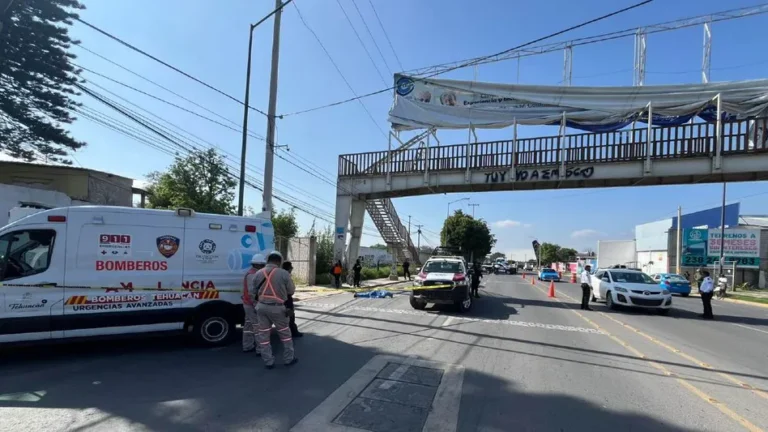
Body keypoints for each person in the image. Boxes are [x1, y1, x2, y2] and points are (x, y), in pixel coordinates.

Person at [252, 251, 298, 369]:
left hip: (261, 307)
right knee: (285, 335)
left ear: (267, 261)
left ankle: (268, 361)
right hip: (278, 308)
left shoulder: (258, 273)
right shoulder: (283, 273)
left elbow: (253, 292)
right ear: (279, 261)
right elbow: (291, 291)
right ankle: (289, 359)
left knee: (264, 336)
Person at [242, 253, 266, 353]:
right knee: (258, 327)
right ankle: (260, 349)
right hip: (252, 305)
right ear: (258, 265)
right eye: (263, 265)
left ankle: (247, 345)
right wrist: (256, 305)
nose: (264, 267)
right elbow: (253, 293)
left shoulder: (250, 273)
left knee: (248, 326)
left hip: (247, 303)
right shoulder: (253, 275)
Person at [282, 260, 303, 338]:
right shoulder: (286, 275)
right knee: (290, 316)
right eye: (291, 267)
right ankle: (293, 332)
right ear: (289, 268)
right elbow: (291, 290)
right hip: (287, 298)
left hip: (279, 298)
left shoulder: (278, 274)